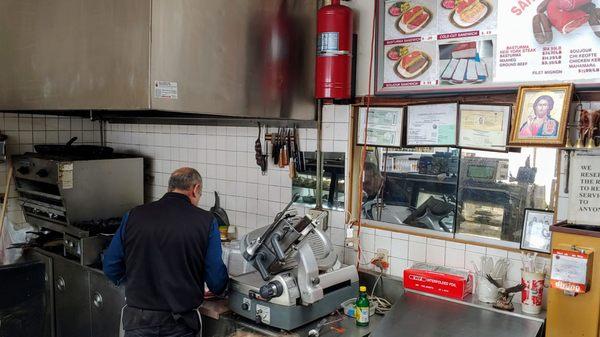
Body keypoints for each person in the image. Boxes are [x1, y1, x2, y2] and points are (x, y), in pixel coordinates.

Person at [103, 167, 229, 337]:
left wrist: (136, 282)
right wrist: (223, 288)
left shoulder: (134, 215)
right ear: (196, 189)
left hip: (138, 322)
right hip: (180, 325)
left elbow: (111, 266)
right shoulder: (206, 221)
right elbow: (215, 278)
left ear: (170, 187)